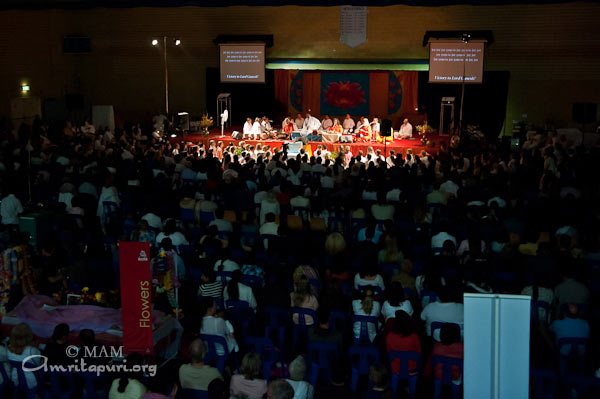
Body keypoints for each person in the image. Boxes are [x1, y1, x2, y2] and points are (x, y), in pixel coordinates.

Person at [7, 323, 41, 390]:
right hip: (31, 382)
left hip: (14, 380)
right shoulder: (32, 351)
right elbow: (38, 365)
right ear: (29, 336)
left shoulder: (8, 349)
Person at [386, 310, 421, 375]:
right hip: (412, 369)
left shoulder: (390, 336)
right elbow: (418, 353)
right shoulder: (414, 337)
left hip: (396, 369)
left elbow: (389, 352)